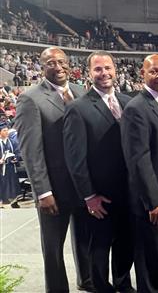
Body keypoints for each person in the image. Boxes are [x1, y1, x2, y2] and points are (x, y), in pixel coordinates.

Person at [14, 47, 92, 292]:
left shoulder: (81, 92)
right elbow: (31, 151)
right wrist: (43, 192)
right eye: (50, 63)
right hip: (53, 189)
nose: (58, 67)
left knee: (85, 240)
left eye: (62, 62)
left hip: (82, 185)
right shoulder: (30, 98)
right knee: (53, 248)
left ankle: (87, 280)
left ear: (69, 63)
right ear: (42, 67)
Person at [63, 51, 135, 293]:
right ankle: (102, 288)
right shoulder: (78, 108)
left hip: (129, 191)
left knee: (126, 243)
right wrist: (88, 196)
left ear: (116, 70)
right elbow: (75, 159)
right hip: (100, 195)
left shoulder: (128, 102)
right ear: (89, 73)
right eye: (98, 69)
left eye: (108, 68)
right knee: (100, 247)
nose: (104, 73)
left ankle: (124, 285)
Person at [121, 54, 158, 293]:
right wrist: (154, 199)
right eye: (153, 71)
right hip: (152, 196)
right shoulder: (136, 108)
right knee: (149, 255)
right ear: (142, 74)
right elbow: (138, 159)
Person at [0, 121, 21, 208]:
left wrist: (16, 158)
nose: (6, 132)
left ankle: (14, 201)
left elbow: (18, 151)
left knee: (13, 184)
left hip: (11, 166)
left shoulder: (12, 141)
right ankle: (1, 202)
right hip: (1, 168)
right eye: (4, 130)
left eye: (7, 130)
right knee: (2, 184)